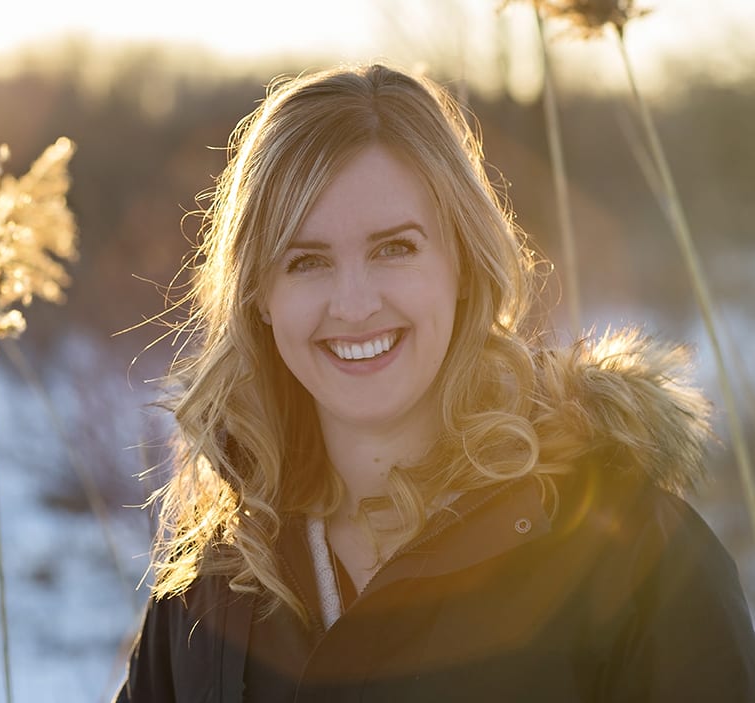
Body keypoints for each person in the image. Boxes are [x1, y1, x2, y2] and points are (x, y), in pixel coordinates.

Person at [115, 63, 755, 702]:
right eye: (306, 261)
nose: (354, 303)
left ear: (463, 262)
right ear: (259, 294)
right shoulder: (212, 587)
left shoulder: (630, 555)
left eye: (394, 248)